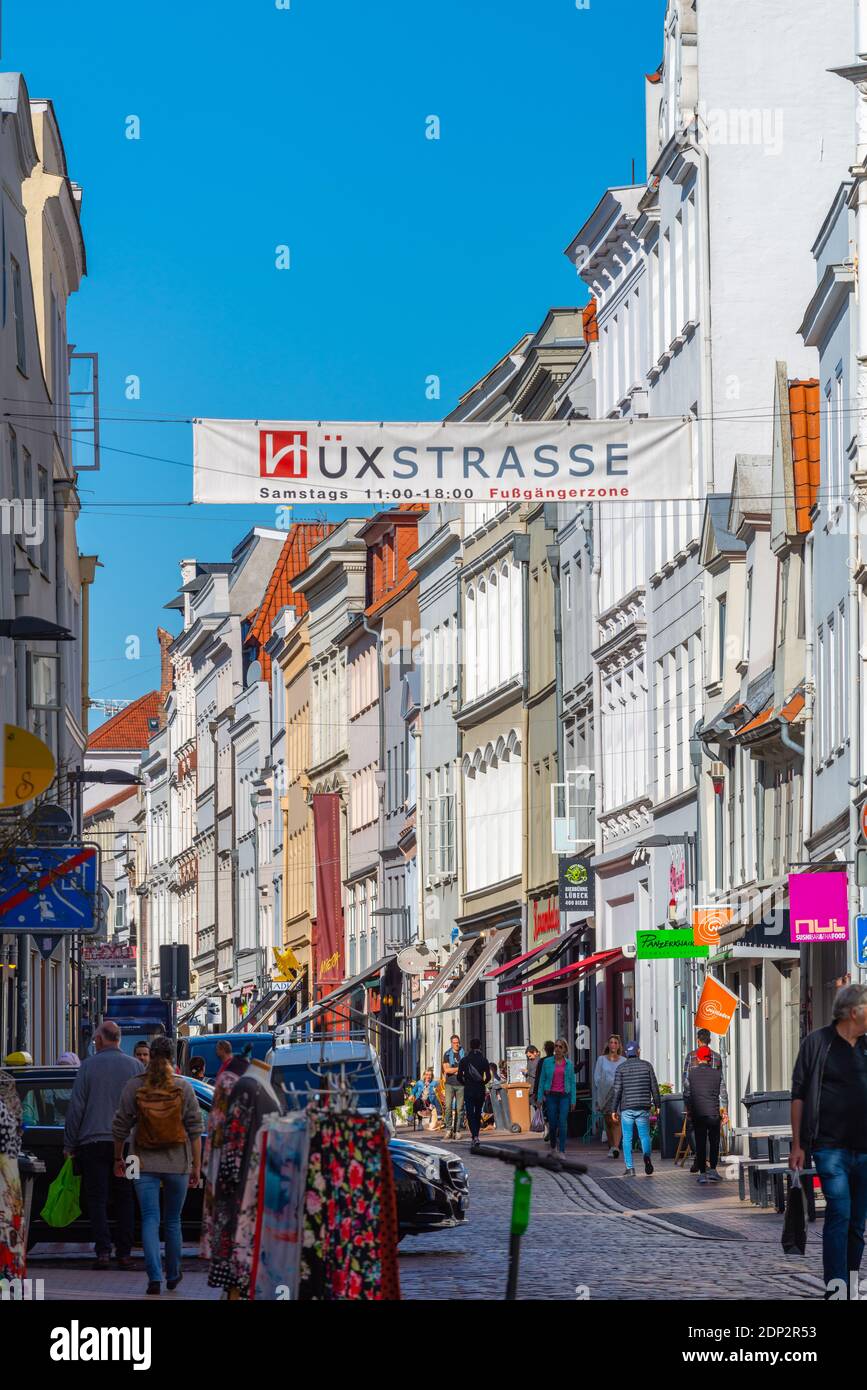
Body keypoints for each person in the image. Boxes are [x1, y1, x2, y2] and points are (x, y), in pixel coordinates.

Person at [789, 983, 867, 1298]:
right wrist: (797, 1144)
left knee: (857, 1225)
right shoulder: (817, 1043)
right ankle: (837, 1289)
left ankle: (847, 1285)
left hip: (865, 1150)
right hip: (829, 1146)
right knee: (840, 1212)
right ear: (854, 1012)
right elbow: (798, 1095)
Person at [112, 1034, 203, 1296]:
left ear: (150, 1055)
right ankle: (173, 1274)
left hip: (140, 1160)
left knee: (150, 1219)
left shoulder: (135, 1085)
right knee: (173, 1220)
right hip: (178, 1162)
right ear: (173, 1058)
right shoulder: (183, 1087)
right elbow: (195, 1129)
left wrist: (119, 1158)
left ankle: (154, 1278)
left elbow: (119, 1127)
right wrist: (196, 1165)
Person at [63, 1020, 143, 1269]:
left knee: (97, 1199)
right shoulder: (136, 1066)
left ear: (100, 1039)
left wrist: (69, 1143)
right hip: (129, 1146)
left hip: (93, 1143)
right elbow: (142, 1108)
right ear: (118, 1039)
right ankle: (125, 1252)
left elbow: (76, 1108)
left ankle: (103, 1251)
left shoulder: (87, 1067)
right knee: (127, 1196)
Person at [609, 1041, 661, 1176]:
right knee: (644, 1135)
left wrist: (613, 1109)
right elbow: (654, 1088)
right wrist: (658, 1105)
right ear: (638, 1051)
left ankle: (630, 1168)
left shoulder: (621, 1068)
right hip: (643, 1106)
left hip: (627, 1107)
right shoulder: (647, 1066)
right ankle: (647, 1156)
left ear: (626, 1053)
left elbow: (617, 1091)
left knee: (627, 1138)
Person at [682, 1027, 728, 1171]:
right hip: (713, 1104)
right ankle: (709, 1165)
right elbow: (722, 1085)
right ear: (710, 1040)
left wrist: (688, 1105)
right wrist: (724, 1109)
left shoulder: (690, 1057)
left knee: (693, 1132)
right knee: (713, 1137)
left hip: (697, 1104)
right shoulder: (717, 1057)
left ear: (698, 1040)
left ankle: (700, 1159)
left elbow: (686, 1083)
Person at [0, 1070, 24, 1284]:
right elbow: (19, 1136)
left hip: (6, 1177)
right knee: (9, 1228)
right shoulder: (11, 1097)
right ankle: (10, 1280)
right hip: (10, 1174)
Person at [537, 1038, 576, 1154]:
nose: (557, 1049)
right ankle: (553, 1146)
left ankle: (562, 1150)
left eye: (560, 1047)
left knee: (563, 1122)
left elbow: (573, 1083)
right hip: (551, 1096)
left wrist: (573, 1100)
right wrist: (539, 1098)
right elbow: (542, 1080)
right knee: (553, 1124)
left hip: (565, 1096)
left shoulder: (569, 1064)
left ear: (564, 1050)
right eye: (556, 1046)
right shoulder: (547, 1062)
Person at [594, 1034, 625, 1158]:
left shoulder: (623, 1060)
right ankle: (612, 1146)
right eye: (611, 1042)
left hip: (618, 1093)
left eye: (615, 1043)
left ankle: (616, 1147)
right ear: (608, 1044)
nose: (613, 1045)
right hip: (605, 1094)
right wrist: (600, 1092)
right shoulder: (601, 1059)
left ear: (619, 1046)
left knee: (616, 1119)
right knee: (608, 1120)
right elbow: (597, 1077)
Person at [457, 1038, 492, 1149]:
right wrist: (482, 1082)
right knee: (477, 1113)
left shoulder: (464, 1060)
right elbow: (489, 1076)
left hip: (469, 1089)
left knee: (470, 1113)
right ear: (480, 1046)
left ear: (470, 1046)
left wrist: (465, 1083)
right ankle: (476, 1136)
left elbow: (459, 1076)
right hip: (479, 1089)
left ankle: (474, 1136)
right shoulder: (484, 1060)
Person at [441, 1034, 465, 1140]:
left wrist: (454, 1069)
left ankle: (457, 1130)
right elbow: (446, 1070)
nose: (456, 1044)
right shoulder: (447, 1054)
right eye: (454, 1043)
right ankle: (449, 1129)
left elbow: (466, 1069)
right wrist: (459, 1069)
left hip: (461, 1084)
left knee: (460, 1108)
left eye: (457, 1042)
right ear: (451, 1043)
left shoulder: (464, 1054)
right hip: (449, 1084)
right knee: (448, 1107)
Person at [533, 1040, 555, 1139]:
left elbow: (538, 1078)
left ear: (545, 1049)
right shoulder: (558, 1060)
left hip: (546, 1091)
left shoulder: (542, 1061)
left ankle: (548, 1129)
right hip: (557, 1090)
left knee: (546, 1110)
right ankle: (553, 1129)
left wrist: (536, 1093)